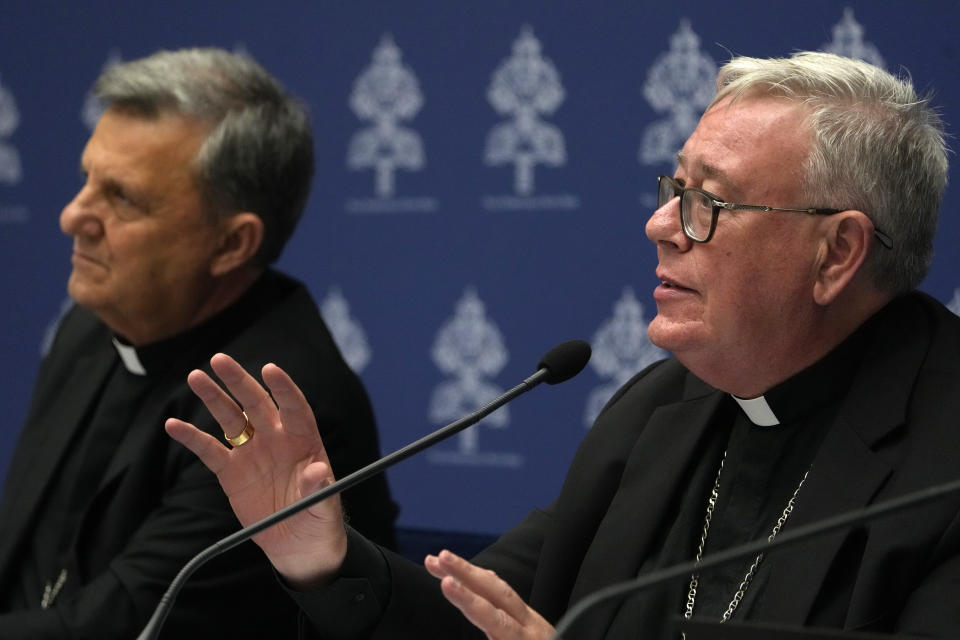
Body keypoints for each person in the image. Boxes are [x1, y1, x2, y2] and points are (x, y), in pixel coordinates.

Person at [167, 51, 960, 639]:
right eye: (673, 190)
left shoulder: (941, 469)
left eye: (708, 201)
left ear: (838, 253)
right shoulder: (659, 411)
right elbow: (482, 618)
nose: (661, 226)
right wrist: (324, 557)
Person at [0, 48, 397, 639]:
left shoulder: (272, 410)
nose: (71, 216)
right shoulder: (89, 328)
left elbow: (123, 625)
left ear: (232, 245)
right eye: (87, 180)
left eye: (123, 198)